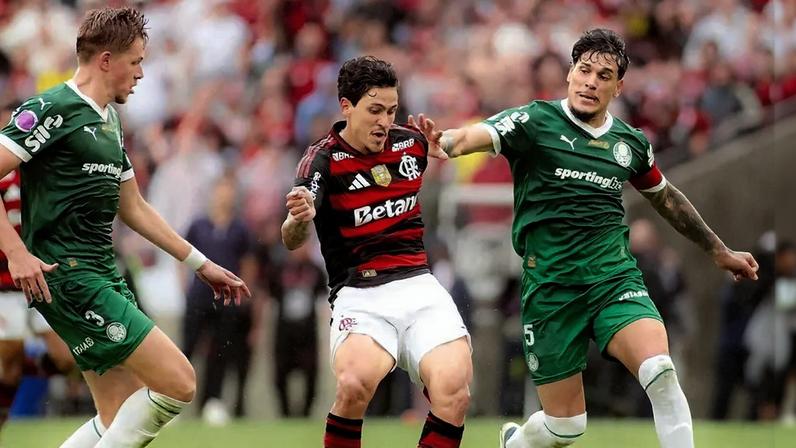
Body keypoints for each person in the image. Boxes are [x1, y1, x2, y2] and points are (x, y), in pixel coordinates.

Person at [410, 28, 759, 448]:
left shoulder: (629, 143)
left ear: (618, 87)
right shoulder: (536, 121)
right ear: (570, 74)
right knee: (566, 427)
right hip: (552, 289)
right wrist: (445, 141)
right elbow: (477, 135)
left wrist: (718, 250)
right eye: (584, 70)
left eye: (604, 75)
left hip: (613, 279)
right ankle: (517, 443)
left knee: (661, 373)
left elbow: (666, 198)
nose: (591, 81)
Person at [0, 7, 249, 448]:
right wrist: (16, 252)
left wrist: (199, 262)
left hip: (101, 272)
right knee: (180, 382)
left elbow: (133, 206)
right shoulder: (51, 109)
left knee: (118, 413)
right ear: (105, 60)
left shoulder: (109, 120)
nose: (141, 73)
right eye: (135, 61)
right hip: (70, 277)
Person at [281, 56, 472, 448]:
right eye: (374, 111)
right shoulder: (322, 161)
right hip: (360, 295)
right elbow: (291, 238)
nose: (385, 121)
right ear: (346, 107)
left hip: (419, 284)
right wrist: (299, 219)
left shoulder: (410, 143)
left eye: (391, 110)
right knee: (353, 385)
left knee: (455, 391)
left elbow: (439, 147)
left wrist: (441, 145)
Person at [0, 165, 74, 432]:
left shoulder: (35, 158)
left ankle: (21, 371)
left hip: (42, 275)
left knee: (68, 357)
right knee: (9, 360)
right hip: (4, 283)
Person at [181, 176, 258, 424]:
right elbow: (182, 257)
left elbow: (249, 263)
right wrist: (185, 288)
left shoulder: (240, 229)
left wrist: (243, 295)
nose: (225, 195)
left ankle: (210, 403)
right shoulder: (198, 225)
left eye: (229, 191)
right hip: (198, 299)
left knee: (219, 354)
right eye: (221, 190)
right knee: (187, 351)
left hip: (226, 302)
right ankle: (172, 402)